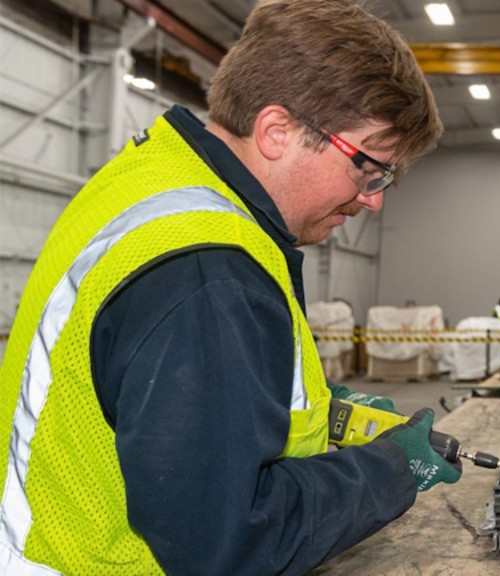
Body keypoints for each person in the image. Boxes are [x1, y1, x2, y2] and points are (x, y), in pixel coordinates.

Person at [0, 1, 461, 574]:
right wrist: (389, 469)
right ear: (277, 132)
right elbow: (228, 543)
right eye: (367, 168)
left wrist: (319, 408)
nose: (373, 199)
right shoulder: (210, 272)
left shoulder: (148, 180)